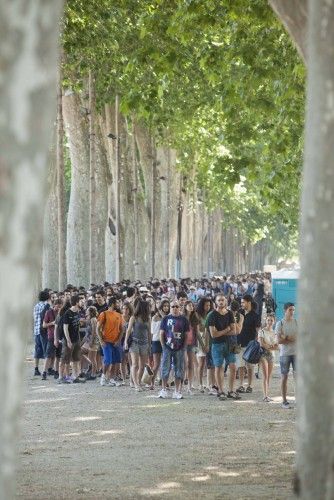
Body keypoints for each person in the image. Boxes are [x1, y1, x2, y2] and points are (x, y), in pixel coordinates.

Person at [207, 294, 240, 400]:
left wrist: (221, 331)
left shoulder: (229, 313)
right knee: (218, 367)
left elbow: (234, 331)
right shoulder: (212, 315)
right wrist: (227, 330)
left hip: (230, 344)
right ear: (216, 302)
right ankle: (220, 391)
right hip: (217, 345)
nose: (221, 302)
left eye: (223, 300)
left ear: (226, 301)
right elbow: (213, 334)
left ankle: (231, 390)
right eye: (219, 300)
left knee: (233, 367)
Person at [159, 300, 189, 399]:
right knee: (165, 368)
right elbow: (161, 333)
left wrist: (184, 347)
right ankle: (164, 389)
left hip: (179, 348)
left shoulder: (184, 319)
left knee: (179, 369)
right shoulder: (165, 319)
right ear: (170, 308)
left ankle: (177, 391)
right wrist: (163, 346)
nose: (175, 308)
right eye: (172, 307)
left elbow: (186, 335)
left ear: (180, 307)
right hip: (167, 347)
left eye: (176, 306)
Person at [124, 300, 151, 391]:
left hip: (145, 343)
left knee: (142, 365)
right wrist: (125, 342)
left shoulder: (148, 318)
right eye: (147, 307)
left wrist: (149, 345)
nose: (149, 308)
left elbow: (149, 333)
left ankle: (138, 382)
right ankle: (135, 384)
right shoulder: (133, 318)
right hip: (134, 342)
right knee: (135, 364)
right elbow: (128, 330)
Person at [236, 294, 261, 394]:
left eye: (243, 302)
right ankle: (241, 385)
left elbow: (258, 331)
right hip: (238, 343)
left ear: (249, 302)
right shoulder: (239, 313)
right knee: (240, 366)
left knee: (250, 367)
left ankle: (250, 386)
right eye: (241, 302)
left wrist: (256, 344)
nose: (241, 304)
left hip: (250, 345)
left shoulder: (255, 315)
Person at [275, 302, 297, 409]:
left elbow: (299, 337)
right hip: (285, 354)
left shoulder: (297, 322)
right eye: (290, 310)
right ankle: (284, 401)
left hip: (297, 353)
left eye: (293, 310)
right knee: (284, 377)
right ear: (285, 310)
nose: (292, 312)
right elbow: (278, 340)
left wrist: (285, 337)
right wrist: (289, 338)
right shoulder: (280, 324)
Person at [98, 297, 124, 387]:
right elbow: (98, 329)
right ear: (113, 303)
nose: (119, 304)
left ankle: (111, 379)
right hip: (106, 341)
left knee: (115, 361)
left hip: (116, 342)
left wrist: (119, 340)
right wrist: (101, 340)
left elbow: (122, 329)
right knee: (107, 360)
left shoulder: (119, 315)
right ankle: (103, 377)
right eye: (117, 302)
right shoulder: (104, 314)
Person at [62, 294, 84, 383]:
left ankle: (75, 376)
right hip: (69, 340)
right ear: (76, 302)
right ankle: (67, 377)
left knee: (76, 359)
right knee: (67, 359)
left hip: (76, 339)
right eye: (81, 301)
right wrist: (68, 341)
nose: (82, 303)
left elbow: (77, 326)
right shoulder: (68, 313)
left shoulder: (77, 312)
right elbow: (65, 328)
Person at [258, 314, 278, 401]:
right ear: (266, 320)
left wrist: (269, 346)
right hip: (263, 354)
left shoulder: (275, 332)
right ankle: (265, 396)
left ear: (274, 322)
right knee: (265, 375)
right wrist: (271, 346)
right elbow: (261, 344)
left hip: (271, 355)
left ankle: (267, 394)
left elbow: (277, 346)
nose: (270, 322)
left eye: (271, 320)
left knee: (269, 376)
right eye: (268, 320)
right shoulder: (261, 331)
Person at [41, 298, 63, 380]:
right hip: (51, 336)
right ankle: (44, 372)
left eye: (60, 307)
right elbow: (44, 325)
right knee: (48, 356)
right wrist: (52, 323)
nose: (58, 309)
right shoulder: (48, 312)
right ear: (54, 305)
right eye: (57, 307)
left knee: (58, 356)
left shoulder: (62, 312)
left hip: (60, 337)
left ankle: (56, 372)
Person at [151, 299, 170, 389]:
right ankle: (152, 382)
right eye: (164, 306)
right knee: (157, 364)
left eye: (167, 306)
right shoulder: (155, 317)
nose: (166, 307)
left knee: (166, 363)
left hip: (167, 341)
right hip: (156, 341)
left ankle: (164, 382)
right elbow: (153, 331)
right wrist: (163, 319)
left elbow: (170, 329)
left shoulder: (169, 317)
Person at [196, 297, 213, 393]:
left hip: (210, 338)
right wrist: (203, 345)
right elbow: (197, 332)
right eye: (206, 305)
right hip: (200, 339)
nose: (208, 307)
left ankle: (209, 384)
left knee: (210, 363)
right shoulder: (197, 315)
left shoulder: (211, 314)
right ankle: (200, 384)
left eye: (209, 305)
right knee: (201, 363)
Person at [33, 289, 50, 376]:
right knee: (46, 350)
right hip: (44, 331)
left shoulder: (36, 306)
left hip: (36, 330)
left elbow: (35, 319)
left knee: (37, 350)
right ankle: (46, 369)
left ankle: (36, 368)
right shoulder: (47, 306)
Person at [184, 300, 199, 394]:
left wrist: (197, 344)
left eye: (192, 306)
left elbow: (196, 333)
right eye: (189, 305)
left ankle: (189, 386)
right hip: (182, 344)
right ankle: (181, 384)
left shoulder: (194, 318)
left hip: (192, 343)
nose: (191, 307)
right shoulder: (182, 318)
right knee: (184, 364)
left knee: (190, 365)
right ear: (185, 307)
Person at [81, 306, 99, 380]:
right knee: (80, 351)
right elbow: (87, 333)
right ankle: (91, 366)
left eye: (87, 310)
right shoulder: (89, 319)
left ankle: (93, 374)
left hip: (93, 341)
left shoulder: (93, 319)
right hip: (88, 340)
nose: (86, 311)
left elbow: (94, 331)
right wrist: (82, 342)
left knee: (93, 358)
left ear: (91, 312)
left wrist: (92, 341)